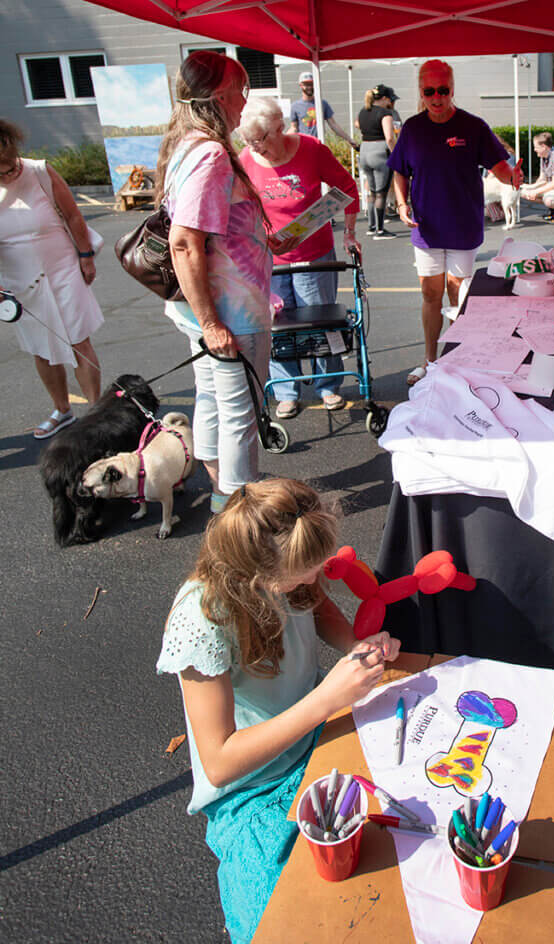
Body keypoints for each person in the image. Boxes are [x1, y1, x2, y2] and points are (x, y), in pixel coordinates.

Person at [157, 477, 400, 944]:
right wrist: (326, 699)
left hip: (316, 740)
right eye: (304, 572)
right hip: (252, 789)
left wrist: (357, 647)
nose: (315, 578)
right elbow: (220, 762)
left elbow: (319, 606)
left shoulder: (284, 569)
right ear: (259, 578)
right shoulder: (200, 621)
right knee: (279, 920)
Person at [157, 50, 278, 514]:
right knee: (241, 416)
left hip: (207, 308)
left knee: (211, 398)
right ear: (222, 94)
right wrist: (212, 323)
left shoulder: (186, 143)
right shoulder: (209, 153)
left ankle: (218, 487)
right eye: (243, 91)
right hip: (230, 311)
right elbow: (184, 241)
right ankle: (239, 514)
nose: (245, 103)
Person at [388, 59, 523, 386]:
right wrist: (403, 203)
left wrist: (512, 177)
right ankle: (430, 362)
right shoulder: (413, 128)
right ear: (420, 91)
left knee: (458, 298)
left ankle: (458, 361)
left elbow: (498, 167)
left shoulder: (473, 126)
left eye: (443, 90)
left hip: (462, 226)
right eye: (429, 91)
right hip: (426, 228)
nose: (436, 97)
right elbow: (400, 172)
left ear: (452, 89)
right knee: (431, 295)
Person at [238, 96, 360, 417]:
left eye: (260, 139)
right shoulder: (246, 160)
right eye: (248, 141)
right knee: (278, 327)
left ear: (279, 127)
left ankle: (328, 385)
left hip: (314, 253)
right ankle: (287, 391)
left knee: (319, 321)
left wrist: (349, 232)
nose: (254, 147)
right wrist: (255, 235)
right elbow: (237, 209)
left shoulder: (311, 149)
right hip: (270, 259)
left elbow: (347, 186)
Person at [0, 119, 102, 438]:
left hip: (63, 268)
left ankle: (97, 413)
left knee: (78, 340)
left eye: (11, 166)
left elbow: (73, 214)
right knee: (41, 347)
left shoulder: (39, 170)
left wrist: (85, 255)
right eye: (1, 173)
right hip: (20, 280)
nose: (10, 174)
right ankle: (62, 410)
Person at [356, 83, 397, 239]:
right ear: (385, 98)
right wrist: (396, 155)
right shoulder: (385, 113)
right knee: (381, 193)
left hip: (365, 150)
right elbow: (389, 137)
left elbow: (357, 125)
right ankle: (380, 230)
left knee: (372, 192)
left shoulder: (363, 111)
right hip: (380, 152)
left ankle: (372, 226)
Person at [290, 72, 357, 150]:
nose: (309, 87)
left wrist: (349, 139)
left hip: (319, 145)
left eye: (311, 84)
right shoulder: (295, 106)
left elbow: (333, 124)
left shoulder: (322, 103)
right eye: (306, 84)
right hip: (303, 146)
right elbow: (294, 128)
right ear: (300, 85)